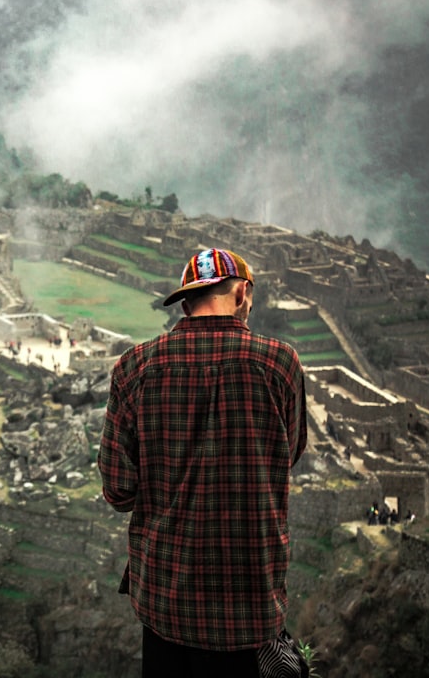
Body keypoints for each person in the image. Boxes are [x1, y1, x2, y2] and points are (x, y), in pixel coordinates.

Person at [98, 248, 308, 678]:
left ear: (186, 301)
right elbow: (289, 454)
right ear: (243, 293)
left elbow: (118, 491)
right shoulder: (280, 363)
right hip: (250, 603)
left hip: (165, 601)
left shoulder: (134, 367)